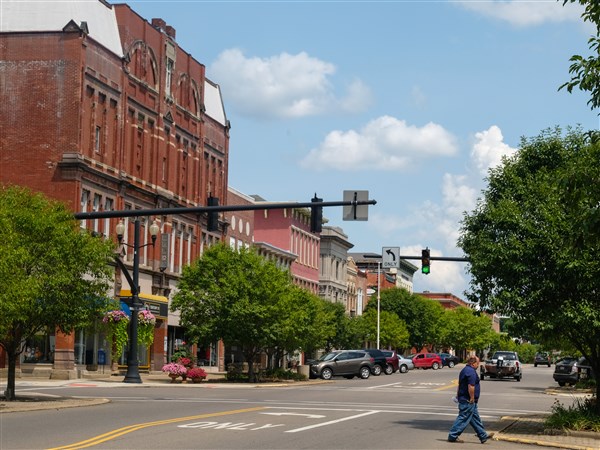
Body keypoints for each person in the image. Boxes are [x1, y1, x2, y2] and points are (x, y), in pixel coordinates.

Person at [448, 356, 493, 444]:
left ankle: (483, 436)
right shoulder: (471, 372)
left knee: (475, 418)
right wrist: (472, 398)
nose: (478, 365)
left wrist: (458, 396)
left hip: (466, 399)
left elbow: (460, 385)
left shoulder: (465, 370)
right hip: (468, 400)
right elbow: (471, 386)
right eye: (477, 363)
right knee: (463, 417)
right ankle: (452, 435)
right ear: (473, 364)